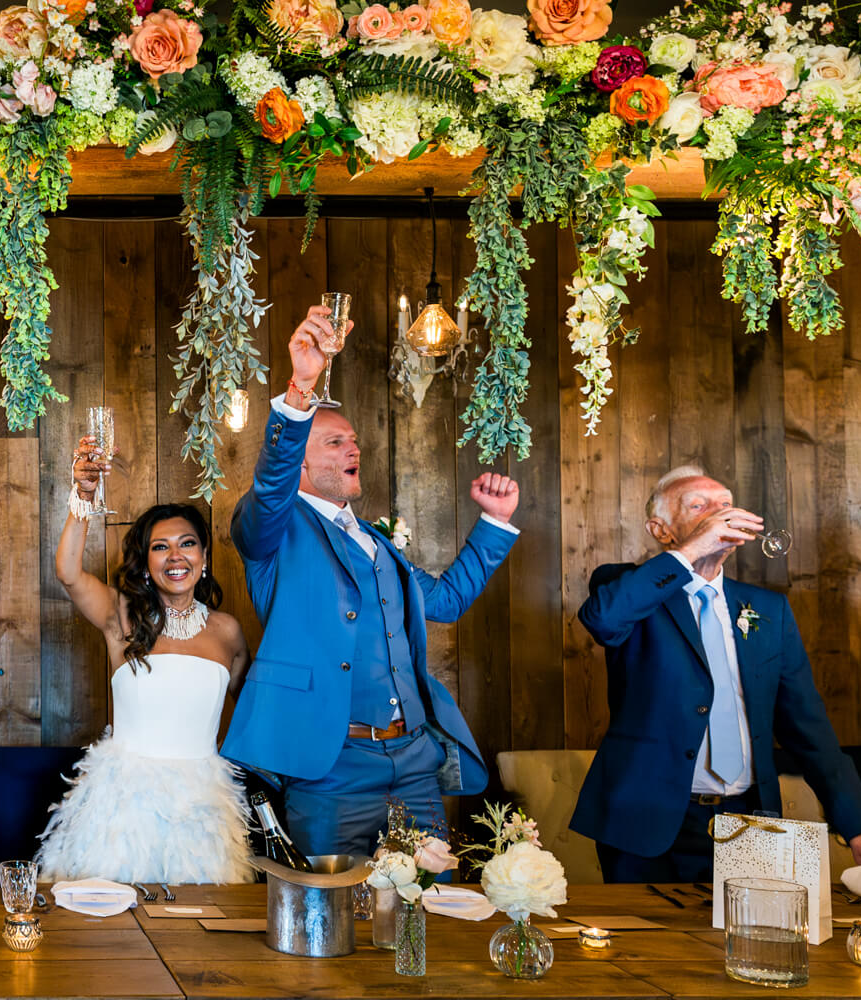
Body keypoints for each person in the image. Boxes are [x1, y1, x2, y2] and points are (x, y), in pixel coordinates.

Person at [222, 305, 522, 858]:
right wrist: (300, 390)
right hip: (329, 765)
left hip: (414, 764)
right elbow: (269, 488)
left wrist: (495, 523)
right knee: (330, 916)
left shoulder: (377, 542)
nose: (353, 448)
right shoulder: (272, 531)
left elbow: (447, 601)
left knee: (429, 910)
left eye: (353, 440)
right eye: (335, 443)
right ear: (302, 466)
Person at [571, 466, 861, 893]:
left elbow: (808, 730)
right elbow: (604, 620)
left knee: (755, 951)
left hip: (751, 820)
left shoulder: (766, 609)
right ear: (660, 529)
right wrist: (691, 552)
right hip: (646, 820)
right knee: (646, 957)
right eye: (699, 506)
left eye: (726, 504)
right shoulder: (622, 586)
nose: (721, 516)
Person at [35, 439, 254, 883]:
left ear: (204, 558)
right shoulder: (121, 616)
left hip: (202, 806)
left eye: (187, 544)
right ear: (146, 562)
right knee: (108, 932)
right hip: (120, 803)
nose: (176, 556)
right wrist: (83, 495)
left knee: (200, 933)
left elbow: (254, 713)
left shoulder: (227, 631)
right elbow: (68, 573)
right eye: (161, 547)